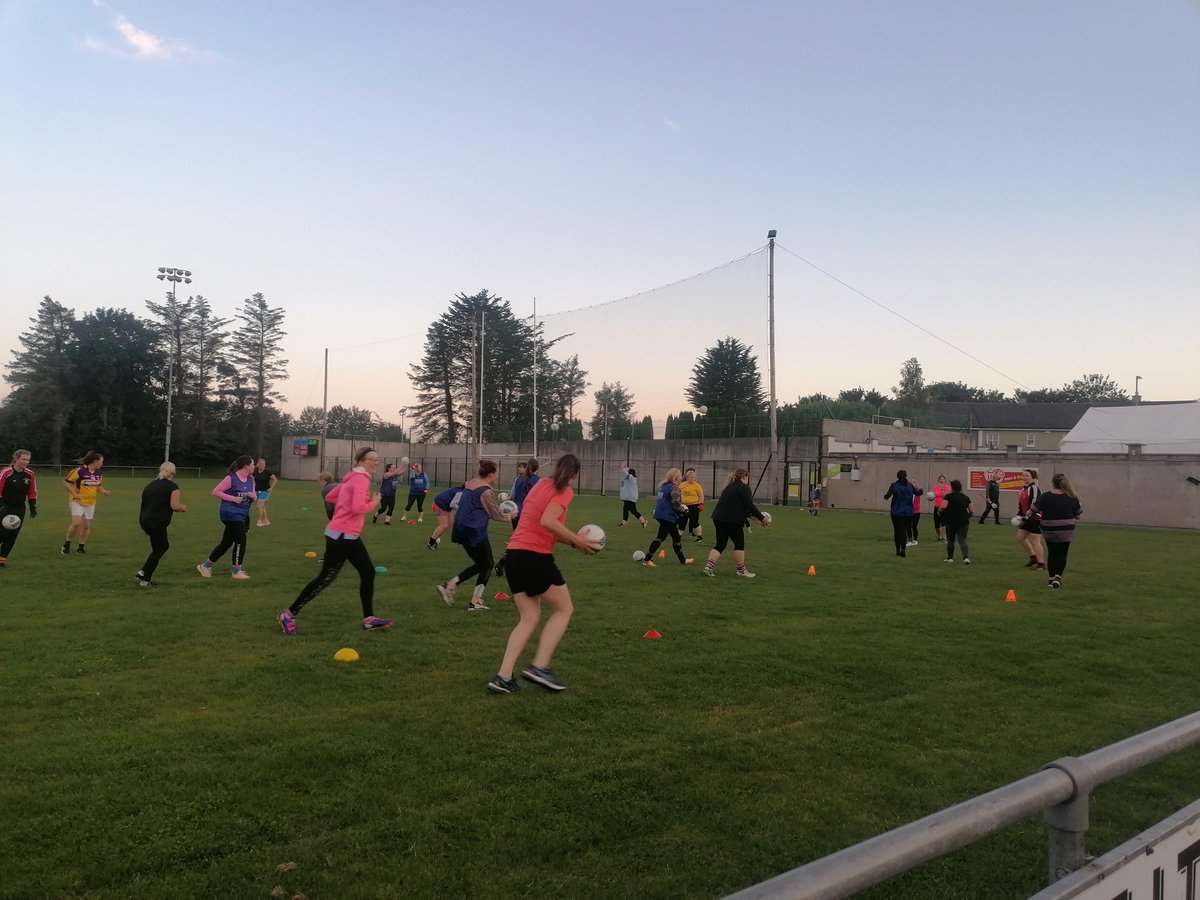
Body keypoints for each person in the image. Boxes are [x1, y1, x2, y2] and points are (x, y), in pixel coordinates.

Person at [486, 453, 601, 694]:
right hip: (533, 557)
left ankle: (503, 677)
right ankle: (540, 666)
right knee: (564, 609)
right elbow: (549, 521)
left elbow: (544, 525)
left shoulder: (539, 486)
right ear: (575, 475)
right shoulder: (564, 491)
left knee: (528, 618)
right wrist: (579, 540)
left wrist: (572, 543)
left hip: (514, 556)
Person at [277, 447, 394, 634]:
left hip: (340, 533)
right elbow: (357, 508)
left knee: (363, 573)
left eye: (378, 460)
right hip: (344, 536)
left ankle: (369, 619)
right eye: (372, 459)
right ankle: (288, 614)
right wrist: (374, 502)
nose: (375, 463)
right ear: (361, 460)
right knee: (330, 577)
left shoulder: (351, 478)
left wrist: (342, 505)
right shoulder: (361, 480)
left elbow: (331, 495)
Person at [435, 459, 511, 611]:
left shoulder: (471, 483)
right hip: (473, 531)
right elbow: (494, 513)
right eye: (496, 474)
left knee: (480, 564)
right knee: (488, 564)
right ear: (490, 474)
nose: (497, 477)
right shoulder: (485, 490)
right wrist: (509, 516)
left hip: (461, 528)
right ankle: (475, 602)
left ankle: (450, 586)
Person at [701, 468, 771, 578]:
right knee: (739, 544)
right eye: (748, 477)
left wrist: (751, 516)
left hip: (718, 518)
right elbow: (749, 505)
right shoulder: (744, 487)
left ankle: (708, 568)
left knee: (720, 544)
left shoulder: (729, 487)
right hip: (732, 520)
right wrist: (762, 518)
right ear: (744, 477)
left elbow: (738, 505)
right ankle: (741, 570)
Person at [197, 456, 256, 580]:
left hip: (242, 514)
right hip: (230, 513)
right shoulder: (231, 478)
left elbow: (255, 497)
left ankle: (205, 566)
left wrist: (252, 496)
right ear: (246, 465)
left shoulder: (251, 479)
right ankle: (236, 571)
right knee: (241, 540)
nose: (254, 466)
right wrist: (233, 499)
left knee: (226, 543)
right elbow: (216, 492)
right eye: (253, 464)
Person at [136, 462, 187, 587]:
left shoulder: (150, 485)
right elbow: (174, 506)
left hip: (145, 520)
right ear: (173, 473)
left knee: (158, 548)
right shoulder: (173, 487)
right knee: (162, 547)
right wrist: (183, 507)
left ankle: (145, 579)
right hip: (157, 522)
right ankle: (143, 573)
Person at [1030, 473, 1082, 589]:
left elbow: (1033, 509)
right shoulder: (1072, 497)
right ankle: (1058, 578)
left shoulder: (1045, 496)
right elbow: (1078, 514)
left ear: (1053, 483)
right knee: (1062, 554)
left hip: (1049, 529)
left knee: (1052, 553)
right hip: (1066, 530)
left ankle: (1051, 579)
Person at [641, 468, 693, 566]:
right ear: (676, 477)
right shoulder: (674, 487)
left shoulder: (663, 486)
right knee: (676, 538)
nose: (682, 477)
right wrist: (684, 511)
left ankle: (647, 559)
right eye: (680, 475)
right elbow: (676, 504)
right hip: (667, 516)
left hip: (660, 515)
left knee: (660, 537)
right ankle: (683, 561)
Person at [62, 450, 109, 555]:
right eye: (101, 461)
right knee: (77, 523)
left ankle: (81, 548)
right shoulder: (79, 471)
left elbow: (98, 485)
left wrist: (104, 491)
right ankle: (66, 544)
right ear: (95, 461)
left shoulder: (99, 473)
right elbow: (66, 483)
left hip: (90, 502)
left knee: (86, 526)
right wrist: (74, 494)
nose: (102, 464)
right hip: (77, 501)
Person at [0, 449, 38, 567]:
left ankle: (1, 561)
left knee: (13, 534)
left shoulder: (30, 474)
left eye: (28, 460)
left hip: (19, 508)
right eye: (23, 459)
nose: (26, 462)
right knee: (2, 533)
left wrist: (32, 507)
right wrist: (1, 506)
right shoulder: (6, 472)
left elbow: (32, 491)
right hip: (4, 506)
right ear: (16, 459)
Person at [1016, 469, 1046, 571]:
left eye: (1027, 476)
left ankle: (1041, 564)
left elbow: (1034, 505)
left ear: (1033, 478)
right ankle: (1033, 558)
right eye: (1023, 475)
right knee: (1020, 537)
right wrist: (1019, 516)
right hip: (1026, 518)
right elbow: (1021, 505)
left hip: (1035, 518)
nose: (1024, 477)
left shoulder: (1034, 488)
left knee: (1035, 541)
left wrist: (1025, 518)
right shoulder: (1023, 489)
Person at [884, 470, 919, 558]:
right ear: (906, 476)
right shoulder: (910, 486)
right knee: (904, 530)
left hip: (896, 512)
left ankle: (897, 550)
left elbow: (887, 495)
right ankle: (903, 549)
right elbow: (918, 492)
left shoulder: (894, 485)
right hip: (907, 512)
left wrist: (886, 496)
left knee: (897, 530)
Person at [940, 479, 973, 565]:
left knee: (951, 540)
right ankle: (966, 558)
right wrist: (968, 517)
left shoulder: (948, 497)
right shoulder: (966, 498)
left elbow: (943, 507)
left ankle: (950, 558)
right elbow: (972, 510)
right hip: (963, 522)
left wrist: (939, 512)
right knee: (962, 540)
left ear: (952, 488)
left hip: (951, 522)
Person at [427, 483, 463, 550]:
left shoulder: (462, 491)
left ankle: (435, 537)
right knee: (443, 525)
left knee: (450, 524)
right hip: (439, 504)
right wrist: (462, 509)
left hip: (446, 506)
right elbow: (453, 504)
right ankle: (431, 543)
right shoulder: (461, 492)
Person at [679, 466, 705, 543]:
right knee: (682, 521)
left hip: (694, 506)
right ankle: (678, 536)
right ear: (687, 477)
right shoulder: (682, 485)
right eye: (690, 477)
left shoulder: (697, 485)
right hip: (683, 506)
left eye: (693, 477)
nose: (692, 478)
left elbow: (701, 495)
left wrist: (701, 504)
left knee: (694, 522)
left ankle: (699, 536)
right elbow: (678, 494)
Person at [252, 459, 277, 527]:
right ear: (258, 464)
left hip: (265, 491)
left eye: (264, 464)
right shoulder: (255, 472)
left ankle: (260, 521)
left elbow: (275, 479)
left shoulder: (267, 472)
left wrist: (271, 488)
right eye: (261, 464)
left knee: (259, 505)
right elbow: (251, 475)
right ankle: (266, 520)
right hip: (257, 491)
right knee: (261, 506)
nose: (263, 465)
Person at [931, 474, 951, 542]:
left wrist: (942, 489)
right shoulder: (936, 488)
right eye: (940, 479)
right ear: (938, 480)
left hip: (944, 507)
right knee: (936, 523)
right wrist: (930, 498)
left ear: (945, 480)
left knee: (943, 522)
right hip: (936, 506)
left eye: (943, 479)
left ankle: (944, 537)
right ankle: (939, 536)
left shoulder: (947, 487)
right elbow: (934, 496)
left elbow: (945, 496)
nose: (941, 480)